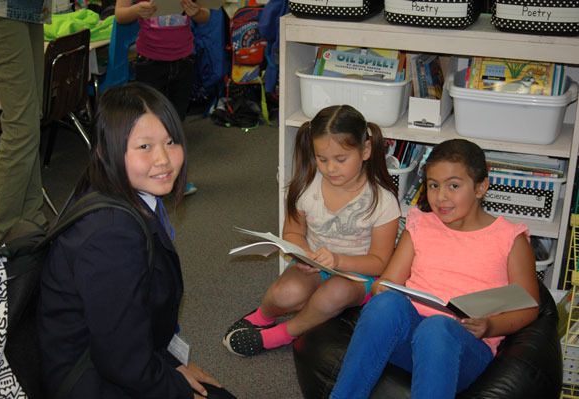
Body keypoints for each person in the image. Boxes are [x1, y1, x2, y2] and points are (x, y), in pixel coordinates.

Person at [38, 82, 235, 399]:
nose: (163, 159)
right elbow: (121, 361)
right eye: (144, 147)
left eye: (170, 142)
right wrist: (173, 383)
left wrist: (168, 364)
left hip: (111, 354)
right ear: (107, 151)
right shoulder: (111, 234)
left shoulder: (117, 190)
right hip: (90, 378)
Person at [331, 138, 540, 399]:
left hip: (465, 346)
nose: (441, 196)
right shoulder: (420, 224)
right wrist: (382, 288)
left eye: (453, 185)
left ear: (480, 187)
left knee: (437, 329)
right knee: (385, 305)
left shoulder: (509, 238)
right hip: (409, 337)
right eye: (433, 185)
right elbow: (387, 282)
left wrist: (489, 326)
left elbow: (529, 306)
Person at [223, 104, 401, 356]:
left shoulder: (382, 201)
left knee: (333, 294)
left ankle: (284, 333)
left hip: (358, 277)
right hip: (316, 267)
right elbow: (293, 233)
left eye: (341, 159)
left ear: (366, 150)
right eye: (322, 159)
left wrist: (338, 260)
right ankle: (262, 316)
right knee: (285, 293)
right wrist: (302, 253)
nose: (330, 168)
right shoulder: (307, 188)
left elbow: (381, 262)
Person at [115, 0, 208, 196]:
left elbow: (205, 16)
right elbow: (120, 15)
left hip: (184, 61)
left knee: (175, 124)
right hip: (151, 62)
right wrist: (136, 10)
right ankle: (144, 181)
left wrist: (196, 11)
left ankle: (174, 179)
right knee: (147, 126)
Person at [0, 0, 50, 252]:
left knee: (30, 121)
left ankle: (31, 222)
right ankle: (1, 242)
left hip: (29, 8)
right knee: (21, 127)